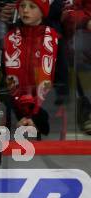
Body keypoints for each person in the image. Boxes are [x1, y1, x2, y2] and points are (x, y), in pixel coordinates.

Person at [2, 0, 59, 137]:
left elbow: (60, 83)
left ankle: (34, 122)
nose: (25, 10)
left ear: (42, 11)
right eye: (22, 6)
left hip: (45, 107)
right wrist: (20, 116)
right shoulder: (9, 37)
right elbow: (2, 80)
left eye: (32, 6)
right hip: (14, 107)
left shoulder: (54, 38)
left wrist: (35, 118)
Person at [61, 0, 91, 134]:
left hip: (82, 31)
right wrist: (86, 20)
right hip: (72, 34)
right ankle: (87, 108)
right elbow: (65, 15)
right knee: (79, 46)